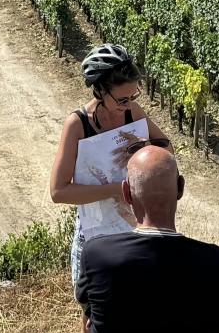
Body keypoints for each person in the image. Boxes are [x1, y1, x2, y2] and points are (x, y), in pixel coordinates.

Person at [49, 44, 174, 309]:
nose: (129, 104)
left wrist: (140, 148)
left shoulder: (132, 112)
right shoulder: (77, 125)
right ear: (100, 90)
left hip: (134, 227)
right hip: (94, 232)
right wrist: (116, 189)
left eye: (134, 95)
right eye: (122, 99)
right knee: (93, 312)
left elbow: (166, 147)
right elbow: (58, 191)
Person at [76, 146, 219, 333]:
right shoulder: (218, 262)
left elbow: (89, 328)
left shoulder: (96, 256)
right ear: (180, 188)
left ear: (126, 193)